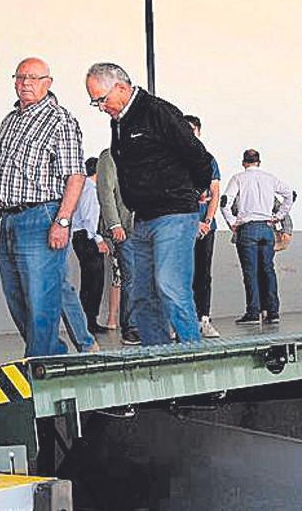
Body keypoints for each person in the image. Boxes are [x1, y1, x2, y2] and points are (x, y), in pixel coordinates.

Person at [86, 62, 214, 346]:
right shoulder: (118, 122)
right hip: (140, 218)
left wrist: (194, 189)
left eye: (101, 99)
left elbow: (197, 155)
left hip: (174, 213)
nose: (100, 106)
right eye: (95, 101)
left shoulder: (158, 112)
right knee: (142, 293)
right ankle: (157, 353)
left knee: (169, 284)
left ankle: (192, 351)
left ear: (121, 87)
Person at [0, 57, 86, 357]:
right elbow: (0, 175)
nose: (25, 83)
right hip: (8, 219)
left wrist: (62, 221)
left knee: (42, 299)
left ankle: (41, 363)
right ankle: (48, 356)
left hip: (42, 217)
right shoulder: (10, 120)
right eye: (20, 77)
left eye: (33, 77)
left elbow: (75, 176)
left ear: (48, 83)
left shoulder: (60, 121)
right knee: (17, 298)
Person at [222, 149, 295, 325]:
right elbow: (290, 194)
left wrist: (232, 222)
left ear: (243, 162)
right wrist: (278, 216)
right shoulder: (269, 178)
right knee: (268, 271)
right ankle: (273, 312)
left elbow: (225, 202)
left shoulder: (238, 178)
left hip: (247, 229)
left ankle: (253, 313)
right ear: (259, 162)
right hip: (267, 228)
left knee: (250, 272)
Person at [185, 115, 222, 339]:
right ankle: (181, 321)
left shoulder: (208, 160)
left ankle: (203, 319)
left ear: (198, 131)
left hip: (206, 228)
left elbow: (214, 193)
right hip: (183, 226)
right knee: (181, 274)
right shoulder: (175, 159)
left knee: (203, 274)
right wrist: (192, 221)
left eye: (191, 130)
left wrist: (207, 221)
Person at [96, 148, 138, 344]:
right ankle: (131, 327)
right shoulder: (110, 156)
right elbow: (106, 192)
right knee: (131, 278)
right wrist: (114, 224)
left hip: (151, 226)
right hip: (126, 229)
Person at [71, 157, 109, 334]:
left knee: (90, 280)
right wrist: (98, 239)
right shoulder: (90, 189)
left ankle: (88, 320)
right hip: (87, 238)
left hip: (83, 236)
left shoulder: (84, 187)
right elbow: (89, 218)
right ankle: (89, 321)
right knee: (94, 281)